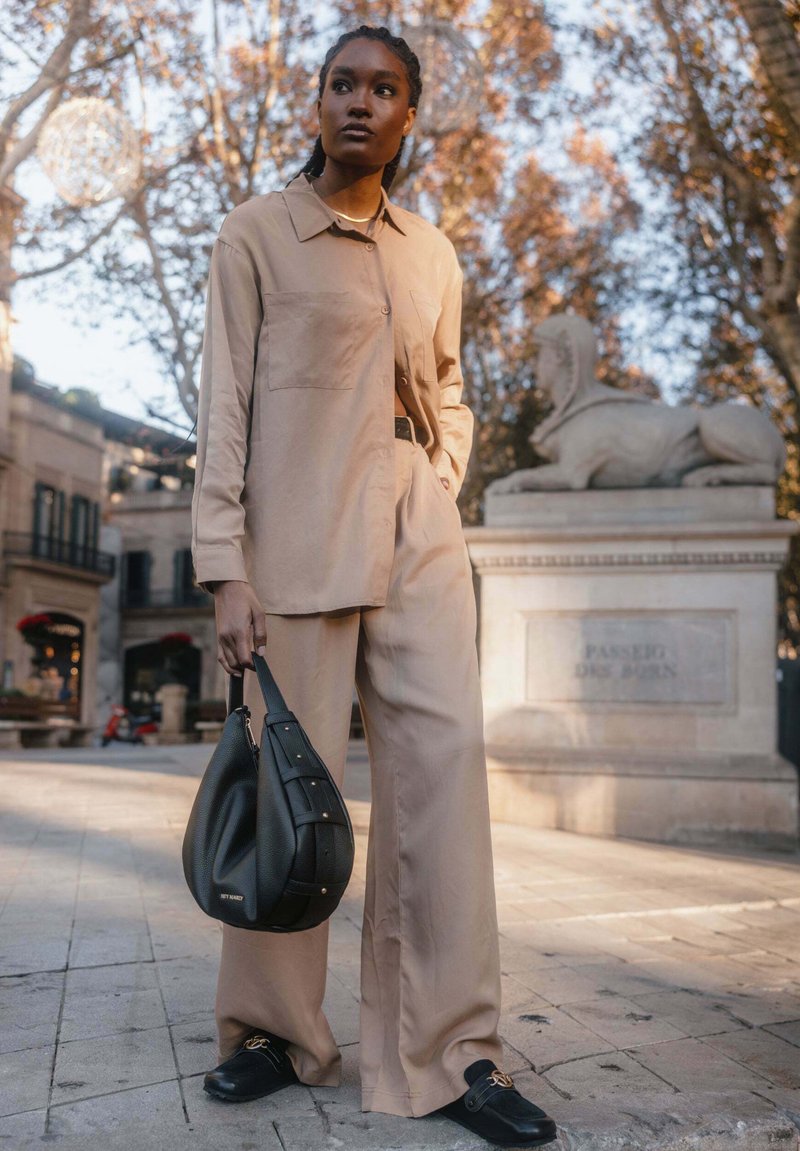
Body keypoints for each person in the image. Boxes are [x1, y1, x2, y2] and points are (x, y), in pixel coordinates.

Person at [190, 23, 558, 1149]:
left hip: (416, 534)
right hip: (293, 535)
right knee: (285, 791)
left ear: (408, 116)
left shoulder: (432, 252)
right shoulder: (255, 233)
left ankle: (451, 1053)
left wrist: (436, 482)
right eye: (341, 84)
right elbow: (224, 409)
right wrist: (223, 566)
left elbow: (449, 389)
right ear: (316, 104)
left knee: (442, 782)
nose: (359, 101)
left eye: (383, 88)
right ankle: (273, 1030)